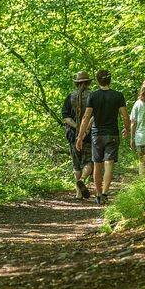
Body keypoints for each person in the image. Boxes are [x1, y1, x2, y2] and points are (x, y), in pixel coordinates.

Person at [75, 69, 129, 205]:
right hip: (112, 134)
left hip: (96, 135)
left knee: (97, 165)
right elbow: (124, 115)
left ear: (98, 81)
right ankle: (104, 193)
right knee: (109, 163)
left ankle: (98, 195)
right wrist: (127, 129)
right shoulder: (118, 96)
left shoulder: (93, 96)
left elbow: (86, 117)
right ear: (109, 80)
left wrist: (80, 137)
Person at [62, 71, 94, 199]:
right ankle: (82, 180)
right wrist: (85, 128)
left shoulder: (70, 97)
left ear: (77, 83)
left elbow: (66, 117)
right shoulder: (93, 96)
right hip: (89, 134)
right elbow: (95, 116)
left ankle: (78, 193)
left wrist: (76, 126)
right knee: (89, 161)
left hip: (72, 135)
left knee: (76, 163)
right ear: (88, 82)